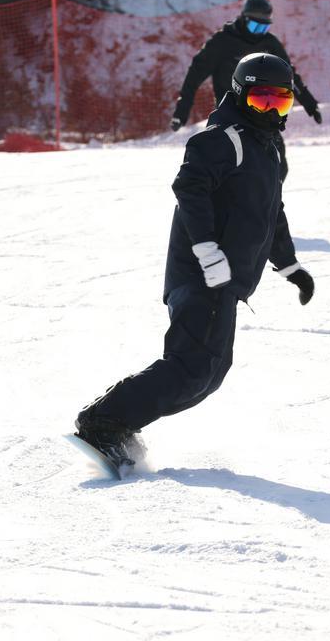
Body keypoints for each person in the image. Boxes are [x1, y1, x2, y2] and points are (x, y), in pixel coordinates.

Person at [74, 52, 315, 468]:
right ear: (240, 96)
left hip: (226, 282)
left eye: (281, 102)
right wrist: (206, 250)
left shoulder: (267, 148)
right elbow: (189, 187)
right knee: (191, 368)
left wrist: (290, 265)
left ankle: (116, 422)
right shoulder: (224, 138)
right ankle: (103, 422)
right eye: (262, 100)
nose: (272, 110)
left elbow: (271, 213)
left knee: (207, 376)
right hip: (201, 275)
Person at [170, 0, 322, 182]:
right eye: (254, 26)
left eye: (264, 27)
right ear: (243, 19)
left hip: (264, 113)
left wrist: (310, 104)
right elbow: (194, 76)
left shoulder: (269, 43)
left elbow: (288, 76)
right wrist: (182, 110)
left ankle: (268, 206)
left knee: (277, 166)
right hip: (230, 116)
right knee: (232, 169)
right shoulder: (222, 42)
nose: (258, 32)